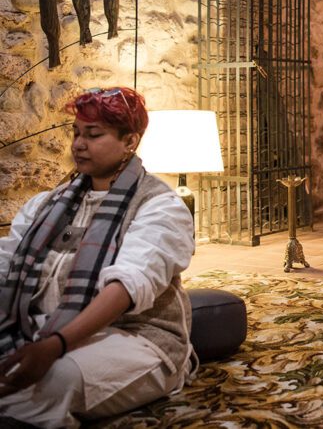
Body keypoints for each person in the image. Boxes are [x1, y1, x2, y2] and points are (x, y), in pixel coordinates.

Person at [0, 87, 195, 427]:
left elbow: (126, 288)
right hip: (45, 327)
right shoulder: (47, 203)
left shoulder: (159, 206)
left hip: (137, 338)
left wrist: (56, 346)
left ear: (129, 141)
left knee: (45, 383)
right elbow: (8, 263)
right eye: (76, 132)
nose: (78, 143)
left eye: (93, 134)